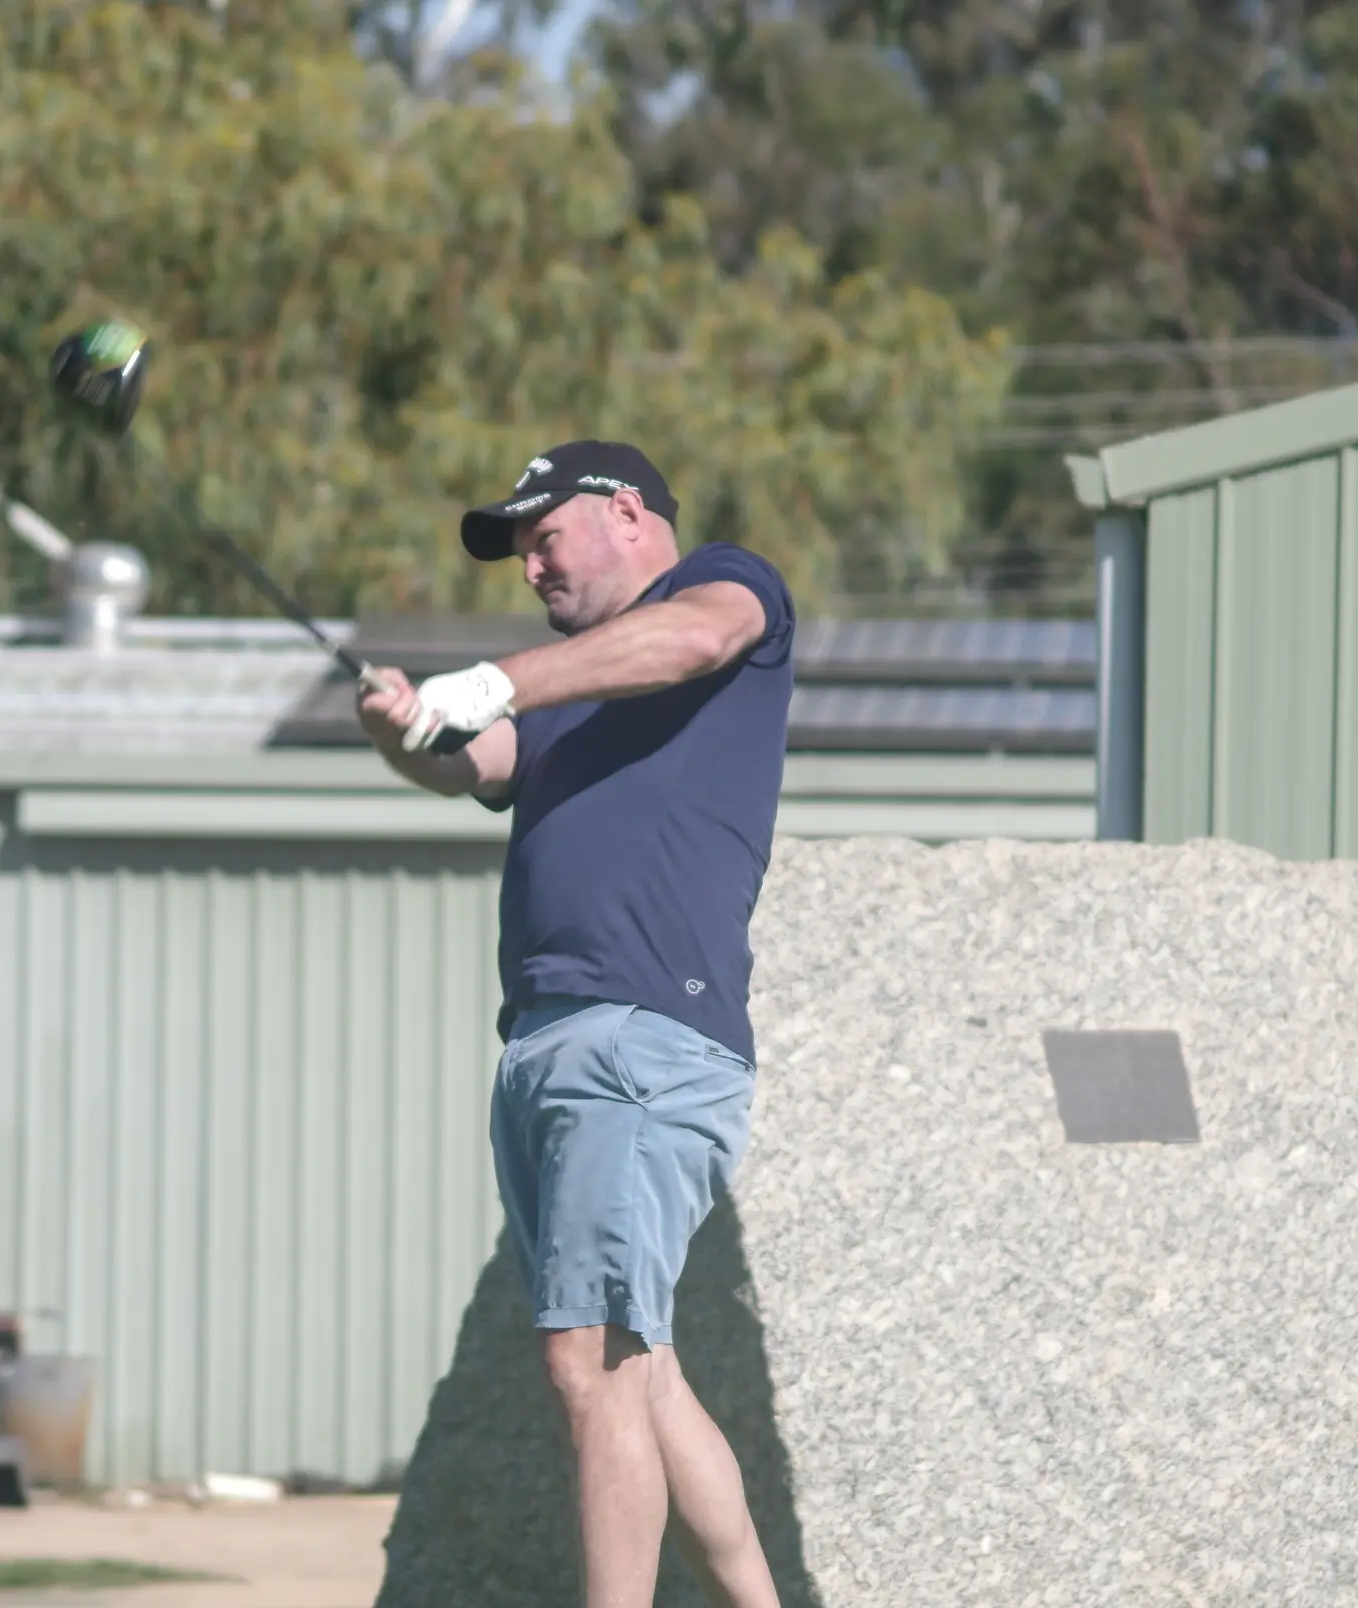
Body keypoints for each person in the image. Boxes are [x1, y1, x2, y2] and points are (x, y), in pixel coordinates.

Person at [357, 440, 794, 1608]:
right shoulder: (565, 687)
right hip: (551, 1043)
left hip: (643, 1037)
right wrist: (405, 726)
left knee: (586, 1360)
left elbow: (694, 636)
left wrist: (493, 679)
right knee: (637, 1372)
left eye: (542, 536)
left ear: (625, 514)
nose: (529, 566)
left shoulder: (721, 586)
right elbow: (474, 761)